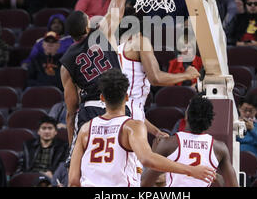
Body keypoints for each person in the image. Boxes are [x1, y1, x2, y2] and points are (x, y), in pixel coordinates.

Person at [68, 69, 216, 187]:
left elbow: (74, 180)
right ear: (126, 97)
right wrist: (191, 170)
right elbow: (147, 159)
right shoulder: (132, 126)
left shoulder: (85, 129)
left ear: (101, 98)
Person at [60, 0, 140, 160]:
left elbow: (71, 111)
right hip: (116, 107)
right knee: (123, 161)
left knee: (84, 165)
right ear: (88, 26)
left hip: (89, 111)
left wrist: (71, 150)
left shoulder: (66, 61)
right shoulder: (103, 32)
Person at [118, 9, 200, 134]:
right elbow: (156, 78)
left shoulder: (118, 50)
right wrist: (186, 75)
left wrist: (156, 132)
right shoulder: (140, 41)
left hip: (120, 112)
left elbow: (134, 110)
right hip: (128, 116)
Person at [140, 94, 239, 187]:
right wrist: (217, 177)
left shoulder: (168, 144)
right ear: (209, 121)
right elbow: (233, 185)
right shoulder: (220, 148)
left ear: (187, 116)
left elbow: (145, 183)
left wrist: (154, 152)